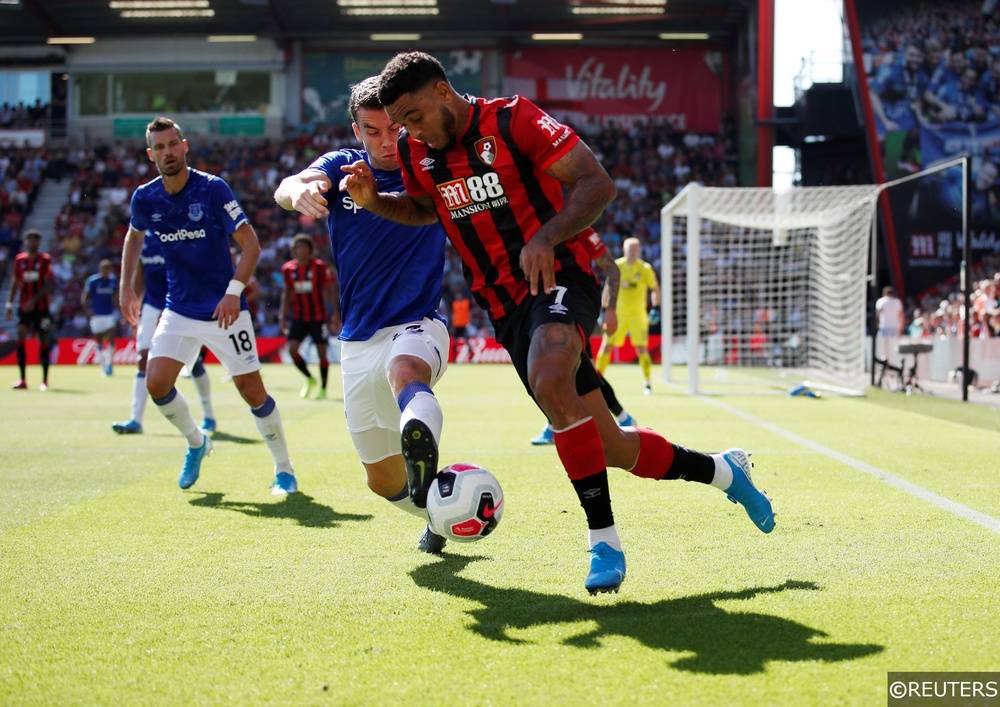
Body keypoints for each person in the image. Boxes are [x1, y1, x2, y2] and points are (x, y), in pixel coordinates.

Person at [343, 52, 775, 594]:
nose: (409, 132)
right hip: (503, 305)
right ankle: (725, 470)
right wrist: (375, 201)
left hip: (560, 272)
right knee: (613, 447)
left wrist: (545, 236)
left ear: (442, 92)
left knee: (551, 379)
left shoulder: (514, 119)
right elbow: (427, 209)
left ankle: (604, 544)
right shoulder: (415, 150)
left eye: (414, 116)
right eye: (401, 123)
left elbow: (596, 183)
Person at [274, 77, 451, 552]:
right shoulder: (339, 168)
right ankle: (444, 510)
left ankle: (419, 429)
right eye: (372, 132)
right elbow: (290, 185)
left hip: (418, 322)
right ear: (357, 131)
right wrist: (302, 193)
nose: (385, 142)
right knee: (381, 480)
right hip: (356, 340)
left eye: (393, 129)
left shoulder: (432, 165)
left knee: (406, 370)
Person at [119, 116, 297, 495]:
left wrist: (234, 291)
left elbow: (251, 244)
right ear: (151, 155)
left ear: (184, 146)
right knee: (156, 382)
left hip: (224, 310)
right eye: (160, 148)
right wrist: (125, 287)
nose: (167, 152)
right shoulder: (145, 197)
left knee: (252, 392)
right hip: (179, 309)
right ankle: (197, 441)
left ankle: (284, 468)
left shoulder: (213, 190)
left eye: (173, 144)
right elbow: (133, 239)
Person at [531, 228, 636, 445]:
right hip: (545, 303)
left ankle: (556, 426)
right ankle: (622, 417)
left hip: (576, 304)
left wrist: (611, 310)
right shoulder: (532, 225)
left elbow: (612, 269)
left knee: (575, 367)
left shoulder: (578, 227)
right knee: (574, 368)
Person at [112, 232, 217, 435]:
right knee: (143, 359)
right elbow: (141, 278)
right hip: (151, 306)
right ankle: (136, 420)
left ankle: (209, 416)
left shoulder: (175, 235)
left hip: (179, 305)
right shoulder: (142, 240)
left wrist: (171, 309)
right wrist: (136, 307)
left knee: (192, 362)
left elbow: (186, 274)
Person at [595, 236, 660, 395]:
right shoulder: (617, 266)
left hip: (638, 315)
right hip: (617, 314)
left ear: (639, 251)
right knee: (606, 346)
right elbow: (608, 289)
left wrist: (656, 308)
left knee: (641, 349)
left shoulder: (645, 269)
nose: (632, 252)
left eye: (635, 249)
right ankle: (596, 380)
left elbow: (655, 289)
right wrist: (603, 309)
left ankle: (647, 382)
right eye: (630, 249)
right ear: (624, 250)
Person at [278, 233, 339, 401]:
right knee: (292, 349)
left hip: (318, 317)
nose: (301, 250)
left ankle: (323, 389)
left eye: (304, 247)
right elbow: (287, 293)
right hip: (299, 316)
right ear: (294, 250)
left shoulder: (319, 267)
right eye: (298, 247)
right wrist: (282, 317)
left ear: (310, 250)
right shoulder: (288, 269)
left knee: (322, 353)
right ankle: (310, 378)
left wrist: (335, 314)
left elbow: (329, 291)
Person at [5, 229, 53, 390]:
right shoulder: (19, 260)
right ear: (25, 242)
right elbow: (15, 282)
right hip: (24, 307)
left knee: (43, 339)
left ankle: (44, 381)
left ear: (39, 243)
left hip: (42, 308)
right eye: (30, 240)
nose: (33, 243)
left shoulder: (45, 260)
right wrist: (9, 304)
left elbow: (48, 284)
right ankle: (22, 379)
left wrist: (34, 300)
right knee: (20, 337)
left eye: (35, 241)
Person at [81, 258, 119, 377]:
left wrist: (120, 310)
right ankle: (103, 366)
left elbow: (116, 296)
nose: (106, 272)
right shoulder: (92, 281)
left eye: (108, 270)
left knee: (112, 338)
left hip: (109, 314)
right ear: (100, 270)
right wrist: (88, 311)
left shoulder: (113, 281)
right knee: (99, 342)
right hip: (96, 316)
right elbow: (84, 298)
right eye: (104, 269)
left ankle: (110, 364)